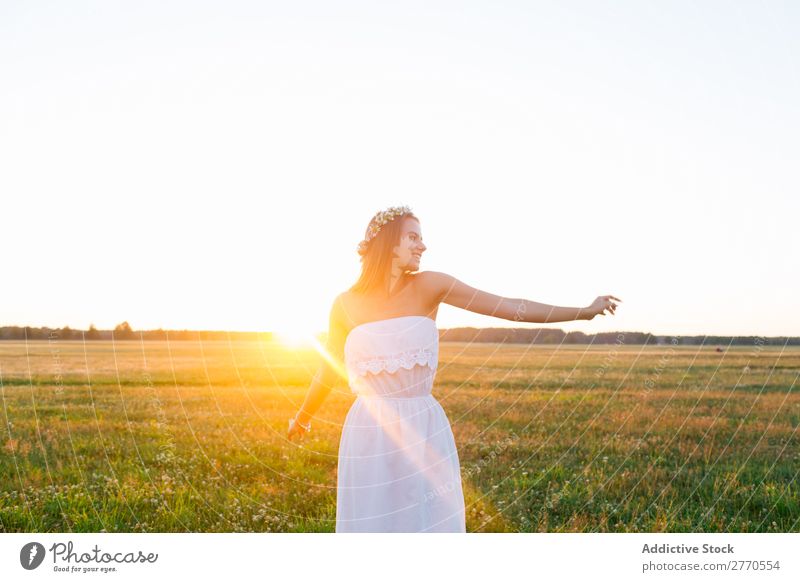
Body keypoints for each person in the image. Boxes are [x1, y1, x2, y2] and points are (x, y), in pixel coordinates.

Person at [287, 205, 621, 532]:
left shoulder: (430, 285)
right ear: (389, 243)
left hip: (423, 427)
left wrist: (583, 312)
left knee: (426, 524)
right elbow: (328, 368)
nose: (423, 245)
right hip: (367, 433)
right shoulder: (344, 304)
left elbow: (508, 307)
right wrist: (302, 418)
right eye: (413, 237)